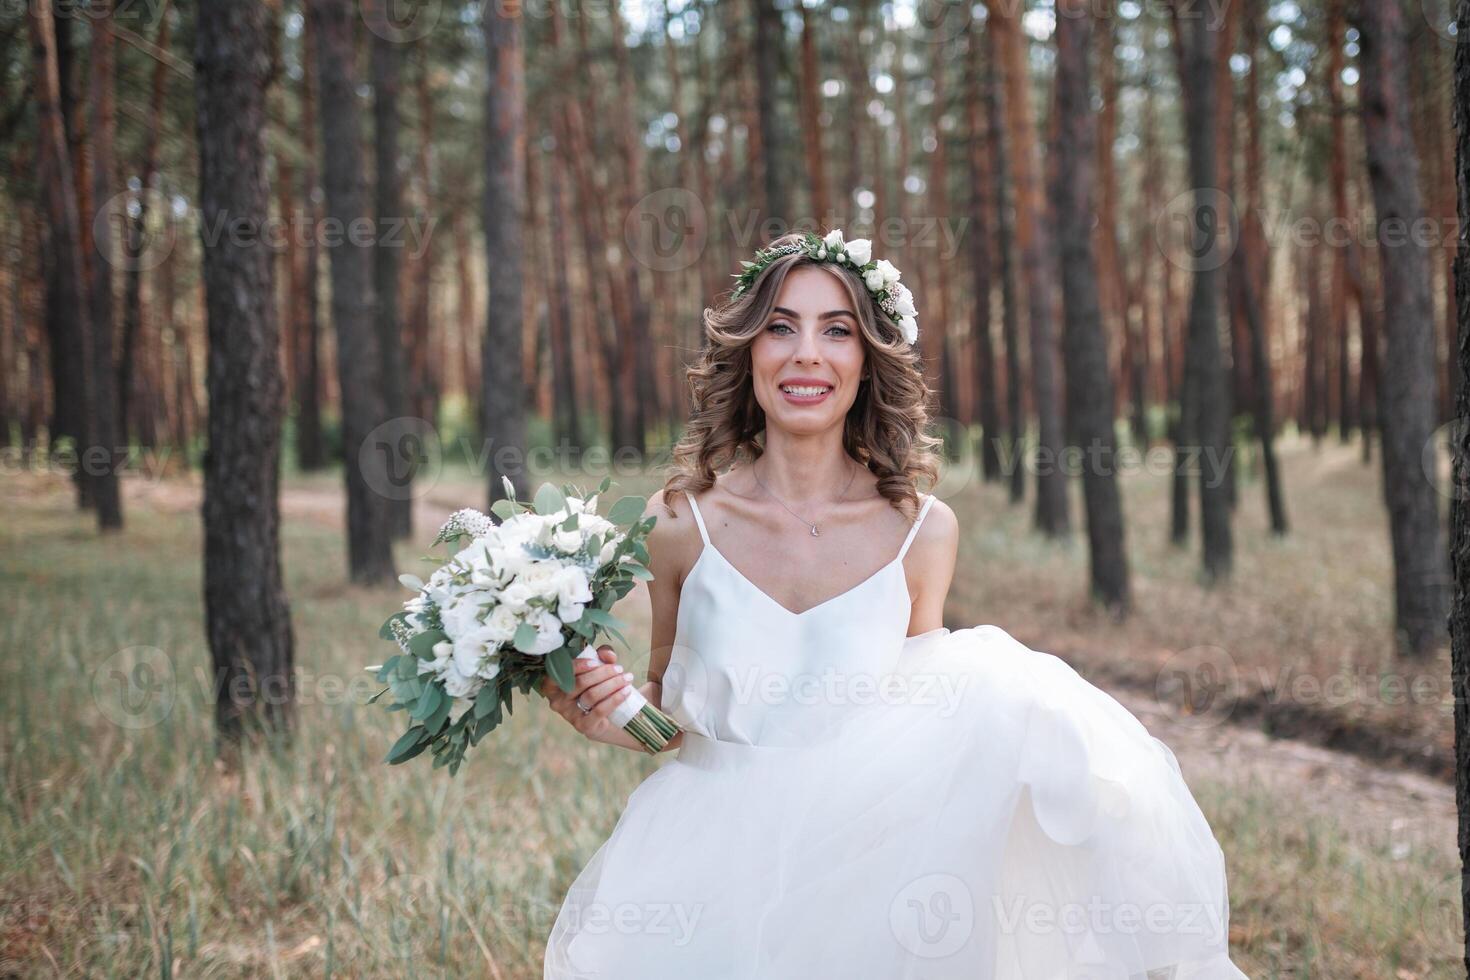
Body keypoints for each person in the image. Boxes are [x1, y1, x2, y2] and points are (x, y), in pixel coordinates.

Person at [541, 229, 1249, 978]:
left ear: (867, 360)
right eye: (781, 325)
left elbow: (925, 731)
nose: (806, 353)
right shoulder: (681, 523)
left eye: (836, 330)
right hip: (702, 867)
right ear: (747, 351)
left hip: (866, 873)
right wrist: (606, 714)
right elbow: (673, 723)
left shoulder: (923, 532)